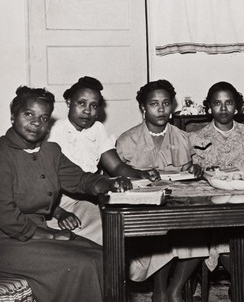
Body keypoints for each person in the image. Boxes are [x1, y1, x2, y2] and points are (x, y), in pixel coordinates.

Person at [0, 86, 132, 302]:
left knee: (107, 257)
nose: (36, 122)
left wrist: (109, 182)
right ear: (13, 116)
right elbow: (5, 215)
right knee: (83, 265)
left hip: (36, 235)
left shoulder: (50, 151)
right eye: (29, 114)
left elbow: (80, 179)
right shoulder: (2, 153)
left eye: (44, 118)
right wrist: (49, 235)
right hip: (8, 241)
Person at [116, 79, 206, 302]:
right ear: (143, 108)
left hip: (177, 205)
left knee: (199, 230)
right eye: (154, 104)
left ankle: (175, 289)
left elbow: (188, 171)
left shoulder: (182, 137)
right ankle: (160, 290)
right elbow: (116, 179)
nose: (161, 109)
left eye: (166, 103)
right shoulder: (126, 140)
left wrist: (194, 168)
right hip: (143, 209)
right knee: (163, 230)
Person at [47, 76, 159, 245]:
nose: (87, 111)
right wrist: (58, 212)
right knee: (109, 238)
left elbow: (116, 166)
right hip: (57, 202)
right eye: (81, 103)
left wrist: (141, 173)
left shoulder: (98, 129)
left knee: (124, 233)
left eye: (93, 105)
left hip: (88, 198)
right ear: (69, 102)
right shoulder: (52, 132)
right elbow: (41, 185)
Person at [189, 81, 244, 302]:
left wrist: (238, 172)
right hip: (217, 206)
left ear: (237, 107)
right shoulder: (196, 138)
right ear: (209, 107)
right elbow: (197, 176)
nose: (223, 109)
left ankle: (240, 287)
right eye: (217, 103)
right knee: (222, 241)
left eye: (229, 103)